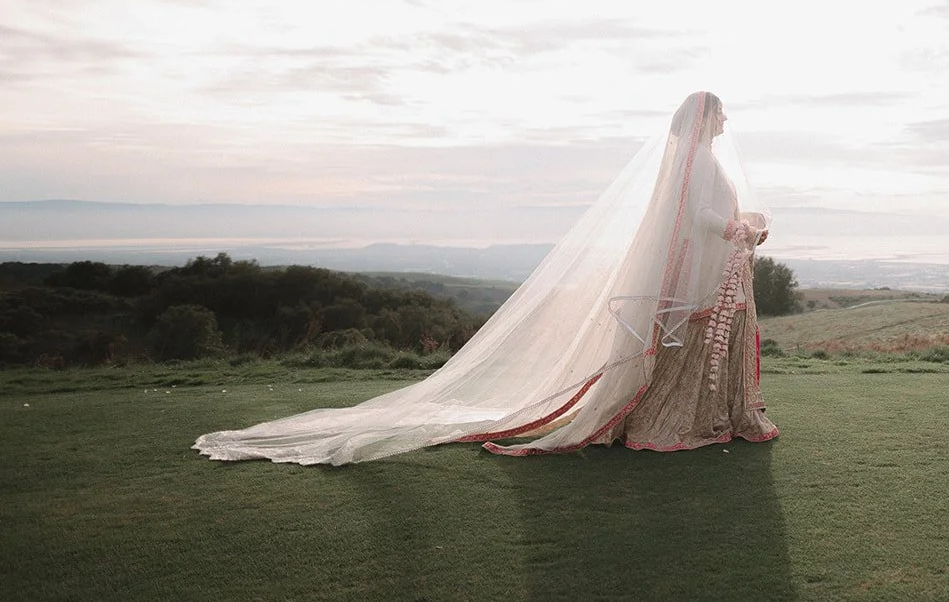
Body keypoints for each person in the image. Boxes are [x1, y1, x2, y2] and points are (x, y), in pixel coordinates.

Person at [193, 91, 778, 464]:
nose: (726, 118)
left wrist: (745, 223)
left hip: (716, 271)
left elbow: (707, 213)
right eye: (720, 111)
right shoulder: (695, 162)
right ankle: (671, 420)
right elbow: (692, 214)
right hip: (704, 272)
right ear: (704, 118)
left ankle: (709, 416)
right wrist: (732, 228)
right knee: (689, 342)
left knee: (704, 341)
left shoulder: (707, 162)